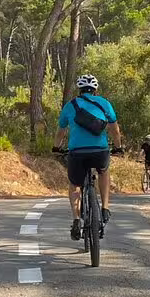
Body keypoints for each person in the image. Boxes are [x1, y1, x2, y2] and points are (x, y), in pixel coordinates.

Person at [53, 74, 123, 241]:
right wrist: (119, 147)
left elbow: (60, 132)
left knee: (75, 184)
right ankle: (105, 208)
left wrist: (56, 147)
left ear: (80, 89)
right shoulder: (104, 103)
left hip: (77, 152)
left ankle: (76, 220)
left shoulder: (70, 106)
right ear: (95, 89)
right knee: (103, 172)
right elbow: (115, 130)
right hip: (100, 151)